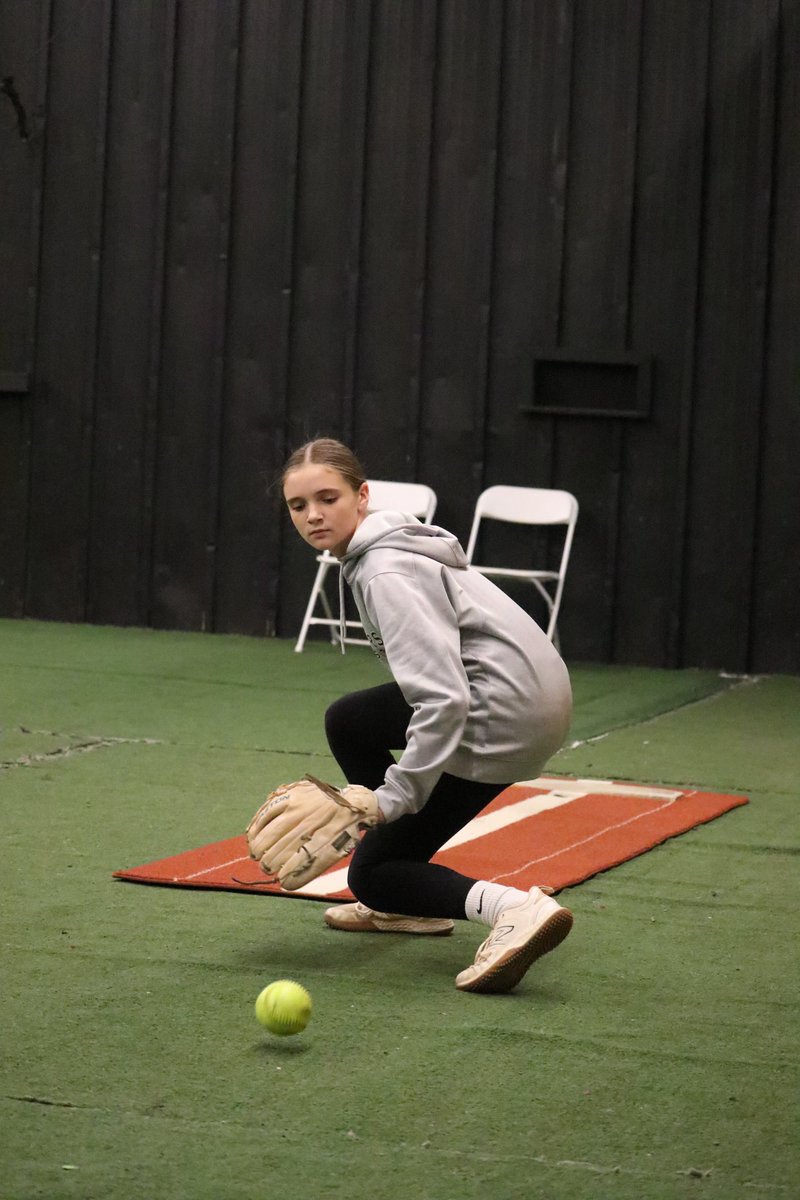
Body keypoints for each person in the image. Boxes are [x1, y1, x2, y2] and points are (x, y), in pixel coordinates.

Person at [281, 437, 574, 994]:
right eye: (299, 506)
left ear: (361, 496)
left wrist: (390, 798)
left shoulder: (383, 571)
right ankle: (400, 896)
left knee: (371, 876)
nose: (314, 515)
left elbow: (444, 699)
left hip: (506, 714)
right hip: (528, 698)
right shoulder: (383, 545)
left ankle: (514, 909)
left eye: (327, 498)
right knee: (351, 719)